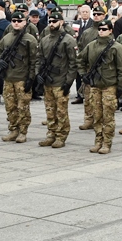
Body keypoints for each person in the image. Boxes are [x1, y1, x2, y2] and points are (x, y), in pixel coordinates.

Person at [77, 19, 122, 154]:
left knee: (108, 116)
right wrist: (84, 75)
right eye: (100, 29)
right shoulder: (91, 45)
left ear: (110, 30)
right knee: (97, 115)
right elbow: (80, 60)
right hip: (95, 86)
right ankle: (98, 141)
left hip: (109, 86)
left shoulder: (116, 47)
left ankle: (107, 143)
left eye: (104, 29)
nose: (101, 31)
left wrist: (120, 89)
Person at [36, 10, 77, 148]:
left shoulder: (68, 40)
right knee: (49, 110)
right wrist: (38, 74)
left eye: (55, 22)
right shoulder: (45, 40)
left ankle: (61, 136)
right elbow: (39, 59)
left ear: (61, 22)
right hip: (48, 81)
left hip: (60, 81)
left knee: (61, 111)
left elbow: (73, 63)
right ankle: (51, 134)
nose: (52, 24)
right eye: (50, 22)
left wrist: (68, 82)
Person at [0, 11, 38, 143]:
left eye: (19, 21)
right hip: (8, 78)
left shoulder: (30, 39)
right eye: (14, 21)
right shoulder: (7, 37)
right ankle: (13, 129)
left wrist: (31, 78)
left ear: (25, 22)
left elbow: (34, 60)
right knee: (10, 106)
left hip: (22, 78)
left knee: (23, 107)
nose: (16, 23)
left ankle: (23, 131)